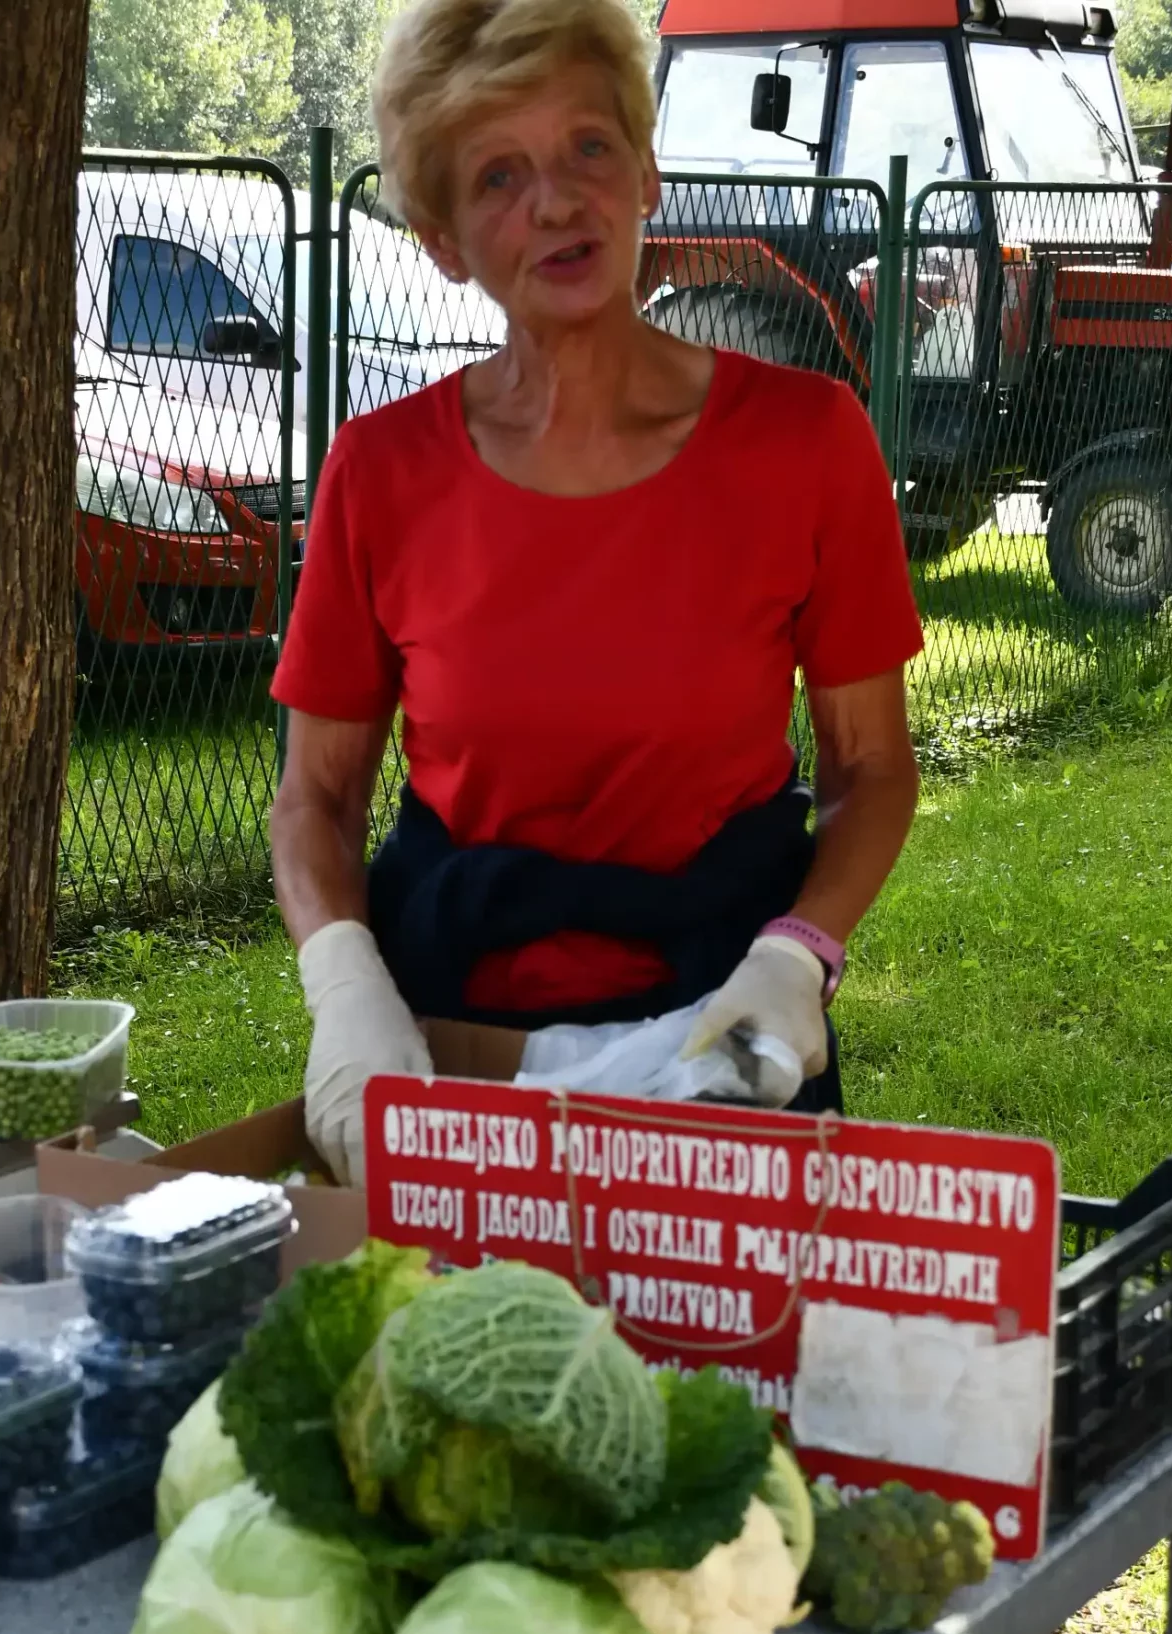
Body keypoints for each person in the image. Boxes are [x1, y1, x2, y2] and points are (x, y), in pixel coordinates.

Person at [269, 0, 923, 1184]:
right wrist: (346, 988)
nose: (559, 202)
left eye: (588, 146)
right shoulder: (381, 471)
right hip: (454, 1035)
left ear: (646, 172)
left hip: (725, 1030)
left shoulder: (808, 442)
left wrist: (796, 958)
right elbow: (314, 796)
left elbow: (872, 770)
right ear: (443, 240)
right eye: (499, 176)